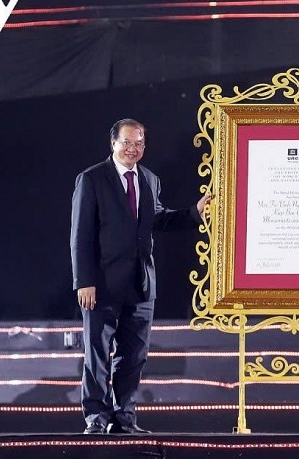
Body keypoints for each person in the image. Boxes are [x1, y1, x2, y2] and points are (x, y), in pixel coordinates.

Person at [70, 118, 210, 434]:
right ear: (113, 143)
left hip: (141, 284)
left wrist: (194, 213)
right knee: (97, 354)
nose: (133, 149)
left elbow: (157, 218)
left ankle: (123, 417)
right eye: (127, 142)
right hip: (101, 285)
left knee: (134, 356)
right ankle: (96, 416)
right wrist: (84, 281)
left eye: (139, 143)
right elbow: (80, 235)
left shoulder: (149, 179)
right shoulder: (92, 179)